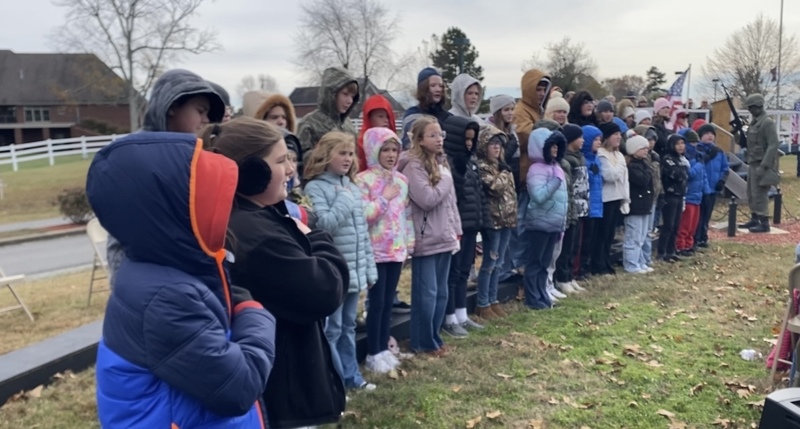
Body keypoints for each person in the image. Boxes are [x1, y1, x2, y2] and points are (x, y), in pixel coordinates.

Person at [89, 126, 275, 428]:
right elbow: (239, 388)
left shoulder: (158, 270)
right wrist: (255, 313)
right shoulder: (166, 299)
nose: (224, 210)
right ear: (169, 213)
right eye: (209, 201)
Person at [207, 118, 348, 428]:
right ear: (251, 172)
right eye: (281, 160)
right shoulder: (257, 235)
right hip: (283, 389)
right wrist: (315, 237)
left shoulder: (251, 215)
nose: (290, 169)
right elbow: (325, 290)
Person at [105, 69, 225, 288]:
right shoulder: (134, 156)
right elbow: (127, 234)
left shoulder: (193, 155)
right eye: (200, 110)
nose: (206, 120)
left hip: (190, 281)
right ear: (172, 106)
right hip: (146, 282)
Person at [304, 131, 378, 391]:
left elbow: (362, 235)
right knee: (332, 329)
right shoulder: (315, 188)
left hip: (354, 272)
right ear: (326, 155)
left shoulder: (351, 186)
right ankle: (332, 383)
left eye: (350, 154)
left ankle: (352, 377)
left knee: (348, 326)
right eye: (342, 153)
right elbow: (324, 225)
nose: (348, 159)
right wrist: (344, 200)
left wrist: (369, 270)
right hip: (333, 272)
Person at [397, 115, 461, 357]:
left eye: (440, 134)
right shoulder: (413, 166)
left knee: (441, 292)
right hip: (426, 237)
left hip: (445, 236)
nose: (439, 139)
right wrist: (445, 179)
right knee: (427, 293)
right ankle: (422, 341)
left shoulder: (441, 163)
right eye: (432, 135)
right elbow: (427, 199)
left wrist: (456, 229)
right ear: (420, 139)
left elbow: (451, 202)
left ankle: (434, 337)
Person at [356, 127, 413, 373]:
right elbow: (364, 215)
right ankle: (373, 351)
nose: (391, 155)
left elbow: (406, 215)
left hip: (396, 250)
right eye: (385, 150)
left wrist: (409, 241)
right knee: (376, 302)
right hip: (375, 251)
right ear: (373, 151)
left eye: (394, 150)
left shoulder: (402, 180)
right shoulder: (363, 180)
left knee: (389, 301)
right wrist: (384, 198)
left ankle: (383, 347)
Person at [441, 115, 487, 337]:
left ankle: (462, 314)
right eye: (465, 139)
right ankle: (449, 317)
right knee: (453, 273)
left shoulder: (471, 162)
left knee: (463, 273)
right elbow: (454, 196)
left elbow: (478, 193)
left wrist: (481, 221)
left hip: (470, 225)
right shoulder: (449, 164)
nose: (469, 144)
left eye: (472, 139)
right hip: (456, 227)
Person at [521, 129, 568, 310]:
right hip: (540, 223)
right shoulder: (536, 169)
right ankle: (532, 298)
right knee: (535, 262)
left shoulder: (556, 167)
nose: (555, 149)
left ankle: (543, 295)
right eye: (551, 145)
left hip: (554, 223)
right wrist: (555, 181)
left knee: (544, 263)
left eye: (557, 145)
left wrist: (561, 224)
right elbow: (538, 196)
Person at [474, 126, 517, 320]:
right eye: (492, 144)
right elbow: (495, 187)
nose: (496, 147)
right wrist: (505, 173)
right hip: (493, 222)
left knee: (499, 263)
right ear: (484, 146)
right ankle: (483, 302)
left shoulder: (502, 166)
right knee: (489, 263)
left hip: (507, 220)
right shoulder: (483, 166)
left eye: (499, 144)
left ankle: (493, 299)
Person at [739, 93, 781, 233]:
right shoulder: (755, 122)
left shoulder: (767, 122)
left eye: (751, 107)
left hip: (762, 163)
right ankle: (755, 218)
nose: (750, 110)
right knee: (751, 192)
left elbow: (773, 145)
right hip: (753, 162)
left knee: (760, 193)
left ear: (758, 106)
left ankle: (764, 222)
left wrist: (764, 165)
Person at [555, 124, 588, 293]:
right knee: (566, 245)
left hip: (580, 207)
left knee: (574, 245)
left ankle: (570, 275)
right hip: (570, 206)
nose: (583, 140)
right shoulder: (567, 160)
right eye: (579, 137)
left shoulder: (580, 157)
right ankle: (562, 277)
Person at [593, 121, 629, 275]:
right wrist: (622, 164)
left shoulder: (618, 154)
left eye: (620, 134)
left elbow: (624, 179)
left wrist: (625, 198)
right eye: (615, 134)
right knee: (602, 233)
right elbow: (610, 175)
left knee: (610, 234)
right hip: (605, 198)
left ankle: (607, 262)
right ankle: (598, 264)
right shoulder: (601, 155)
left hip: (617, 197)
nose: (619, 137)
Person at [297, 67, 360, 153]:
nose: (350, 101)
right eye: (345, 94)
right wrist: (321, 153)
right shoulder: (309, 124)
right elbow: (299, 158)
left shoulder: (348, 125)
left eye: (352, 96)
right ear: (331, 93)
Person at [514, 68, 552, 189]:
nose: (542, 93)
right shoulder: (520, 111)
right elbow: (525, 135)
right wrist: (551, 133)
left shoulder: (539, 110)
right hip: (528, 174)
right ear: (529, 90)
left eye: (544, 90)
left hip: (539, 173)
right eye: (538, 89)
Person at [622, 135, 655, 274]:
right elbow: (642, 180)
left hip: (644, 205)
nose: (646, 150)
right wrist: (648, 170)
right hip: (635, 205)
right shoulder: (631, 166)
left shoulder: (643, 164)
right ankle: (631, 263)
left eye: (647, 148)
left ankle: (640, 261)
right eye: (642, 148)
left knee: (641, 236)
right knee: (633, 236)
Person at [695, 124, 729, 247]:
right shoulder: (697, 150)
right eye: (706, 134)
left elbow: (725, 168)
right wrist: (707, 156)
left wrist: (722, 181)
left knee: (707, 214)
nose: (709, 136)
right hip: (701, 188)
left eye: (712, 134)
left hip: (713, 188)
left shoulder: (719, 151)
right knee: (699, 214)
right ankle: (696, 237)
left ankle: (703, 236)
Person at [577, 125, 604, 280]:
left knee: (591, 238)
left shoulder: (596, 160)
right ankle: (579, 269)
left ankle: (586, 267)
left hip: (596, 205)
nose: (599, 142)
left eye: (600, 139)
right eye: (596, 139)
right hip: (587, 206)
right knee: (583, 240)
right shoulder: (585, 161)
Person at [676, 129, 708, 256]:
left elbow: (703, 176)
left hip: (697, 196)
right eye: (691, 142)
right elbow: (689, 174)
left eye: (696, 142)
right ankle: (680, 246)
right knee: (685, 224)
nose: (694, 145)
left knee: (693, 225)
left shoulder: (698, 156)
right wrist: (699, 165)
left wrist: (706, 190)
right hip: (688, 195)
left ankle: (689, 244)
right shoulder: (685, 159)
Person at [401, 67, 452, 148]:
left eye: (440, 86)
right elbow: (410, 145)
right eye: (433, 85)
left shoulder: (448, 118)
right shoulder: (412, 115)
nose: (438, 89)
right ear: (423, 88)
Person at [658, 134, 689, 262]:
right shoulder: (667, 159)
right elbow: (677, 174)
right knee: (668, 225)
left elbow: (685, 174)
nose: (681, 146)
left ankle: (671, 250)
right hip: (670, 195)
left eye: (682, 143)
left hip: (680, 194)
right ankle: (662, 252)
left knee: (676, 225)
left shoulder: (682, 159)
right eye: (677, 144)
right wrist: (683, 170)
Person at [488, 94, 521, 190]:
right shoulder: (490, 132)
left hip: (514, 179)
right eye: (506, 110)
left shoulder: (512, 130)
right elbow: (495, 160)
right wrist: (511, 147)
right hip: (499, 181)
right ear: (498, 112)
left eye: (512, 109)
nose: (510, 113)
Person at [357, 95, 397, 173]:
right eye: (380, 116)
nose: (386, 120)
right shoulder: (361, 144)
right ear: (369, 118)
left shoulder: (394, 141)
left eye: (388, 116)